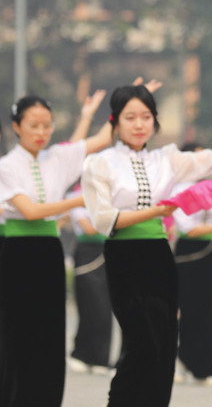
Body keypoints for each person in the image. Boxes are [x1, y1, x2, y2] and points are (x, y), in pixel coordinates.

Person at [81, 84, 212, 407]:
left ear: (155, 121)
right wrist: (156, 212)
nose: (139, 124)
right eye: (130, 117)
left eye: (146, 117)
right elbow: (103, 219)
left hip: (160, 258)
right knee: (141, 342)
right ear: (115, 121)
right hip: (124, 257)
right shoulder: (100, 163)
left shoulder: (167, 159)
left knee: (165, 343)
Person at [0, 91, 112, 405]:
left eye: (47, 126)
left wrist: (122, 105)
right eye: (33, 125)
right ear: (16, 126)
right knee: (19, 335)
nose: (41, 133)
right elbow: (32, 211)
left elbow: (102, 139)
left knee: (49, 334)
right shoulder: (7, 166)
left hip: (48, 252)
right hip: (18, 255)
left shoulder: (55, 157)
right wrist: (82, 198)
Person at [170, 163, 212, 387]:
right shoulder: (179, 189)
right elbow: (188, 229)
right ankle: (180, 360)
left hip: (208, 252)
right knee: (185, 307)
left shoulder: (210, 189)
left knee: (208, 309)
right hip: (187, 253)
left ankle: (204, 368)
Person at [68, 194, 115, 375]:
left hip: (104, 251)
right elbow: (89, 229)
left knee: (105, 307)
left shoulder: (106, 200)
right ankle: (82, 354)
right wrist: (109, 222)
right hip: (86, 254)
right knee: (90, 304)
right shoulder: (77, 200)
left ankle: (101, 358)